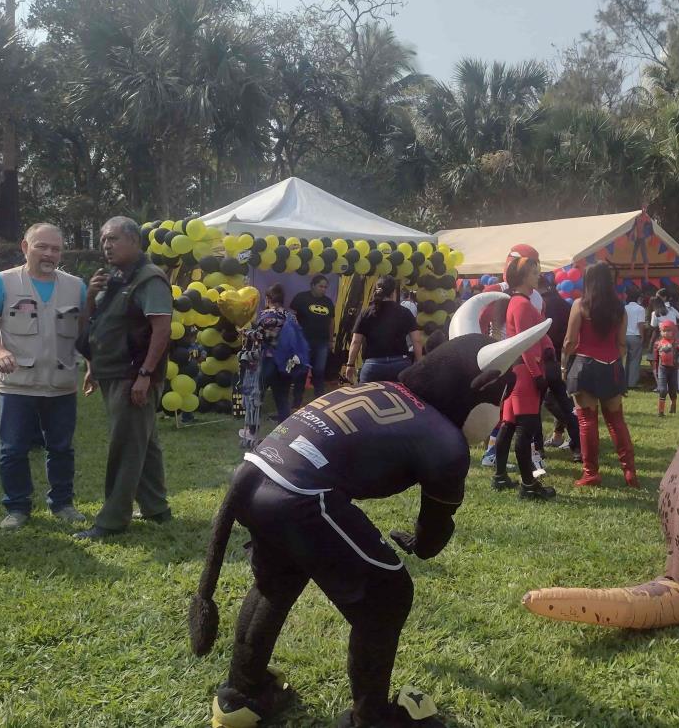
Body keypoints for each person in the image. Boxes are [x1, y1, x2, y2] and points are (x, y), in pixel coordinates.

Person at [189, 301, 550, 728]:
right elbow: (434, 532)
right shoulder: (445, 442)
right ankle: (371, 716)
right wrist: (422, 542)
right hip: (301, 492)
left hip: (256, 471)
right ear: (482, 385)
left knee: (278, 578)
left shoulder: (383, 387)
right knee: (386, 595)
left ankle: (242, 697)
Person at [0, 223, 88, 530]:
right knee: (13, 449)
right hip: (17, 384)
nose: (49, 254)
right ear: (25, 247)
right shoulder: (2, 282)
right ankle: (17, 507)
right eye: (42, 246)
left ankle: (62, 503)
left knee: (62, 448)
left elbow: (87, 331)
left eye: (56, 248)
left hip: (61, 384)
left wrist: (95, 363)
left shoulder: (76, 286)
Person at [74, 217, 173, 540]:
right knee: (143, 441)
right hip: (113, 370)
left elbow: (161, 330)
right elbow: (100, 324)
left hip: (133, 375)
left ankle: (112, 520)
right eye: (103, 239)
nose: (106, 245)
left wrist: (145, 375)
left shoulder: (149, 279)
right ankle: (156, 507)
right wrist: (90, 296)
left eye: (113, 239)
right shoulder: (116, 278)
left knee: (125, 446)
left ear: (134, 241)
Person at [491, 245, 557, 499]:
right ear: (522, 277)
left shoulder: (520, 302)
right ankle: (528, 485)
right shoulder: (521, 304)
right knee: (525, 429)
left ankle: (500, 475)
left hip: (518, 371)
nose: (537, 274)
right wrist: (537, 374)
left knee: (509, 425)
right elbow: (526, 342)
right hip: (525, 373)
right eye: (533, 271)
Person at [563, 262, 637, 487]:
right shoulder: (619, 308)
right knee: (616, 422)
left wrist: (564, 366)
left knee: (587, 421)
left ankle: (591, 473)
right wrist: (615, 364)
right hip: (613, 366)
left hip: (585, 365)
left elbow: (570, 342)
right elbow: (622, 344)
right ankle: (630, 472)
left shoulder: (580, 305)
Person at [239, 284, 301, 447]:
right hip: (287, 364)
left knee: (255, 398)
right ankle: (285, 437)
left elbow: (262, 337)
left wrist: (245, 332)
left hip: (268, 362)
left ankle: (251, 435)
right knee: (282, 400)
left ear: (267, 299)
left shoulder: (267, 316)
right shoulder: (292, 316)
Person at [344, 276, 423, 384]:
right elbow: (417, 340)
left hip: (373, 367)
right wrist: (419, 364)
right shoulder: (405, 312)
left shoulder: (366, 313)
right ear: (394, 292)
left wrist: (350, 364)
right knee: (399, 400)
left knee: (370, 399)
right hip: (400, 365)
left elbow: (356, 342)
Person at [536, 274, 581, 461]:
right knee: (563, 401)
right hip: (562, 357)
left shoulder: (539, 305)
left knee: (538, 405)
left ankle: (537, 450)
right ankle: (578, 444)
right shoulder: (564, 304)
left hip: (543, 358)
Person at [289, 274, 335, 404]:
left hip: (322, 342)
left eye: (325, 287)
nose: (323, 289)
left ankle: (319, 403)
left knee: (319, 372)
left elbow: (331, 322)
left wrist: (331, 340)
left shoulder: (328, 302)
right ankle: (296, 402)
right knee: (301, 372)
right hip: (303, 342)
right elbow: (291, 316)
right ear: (313, 285)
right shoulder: (301, 298)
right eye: (321, 286)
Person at [653, 319, 679, 416]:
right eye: (664, 331)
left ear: (673, 331)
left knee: (673, 390)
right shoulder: (658, 344)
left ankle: (673, 405)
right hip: (663, 369)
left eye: (669, 330)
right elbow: (655, 359)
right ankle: (660, 412)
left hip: (673, 369)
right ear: (661, 332)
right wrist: (655, 369)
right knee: (662, 390)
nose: (666, 333)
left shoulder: (677, 343)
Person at [623, 290, 648, 389]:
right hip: (635, 335)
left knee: (625, 360)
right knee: (635, 360)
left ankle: (624, 381)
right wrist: (642, 336)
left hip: (624, 335)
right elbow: (640, 324)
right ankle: (632, 382)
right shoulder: (640, 309)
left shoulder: (624, 308)